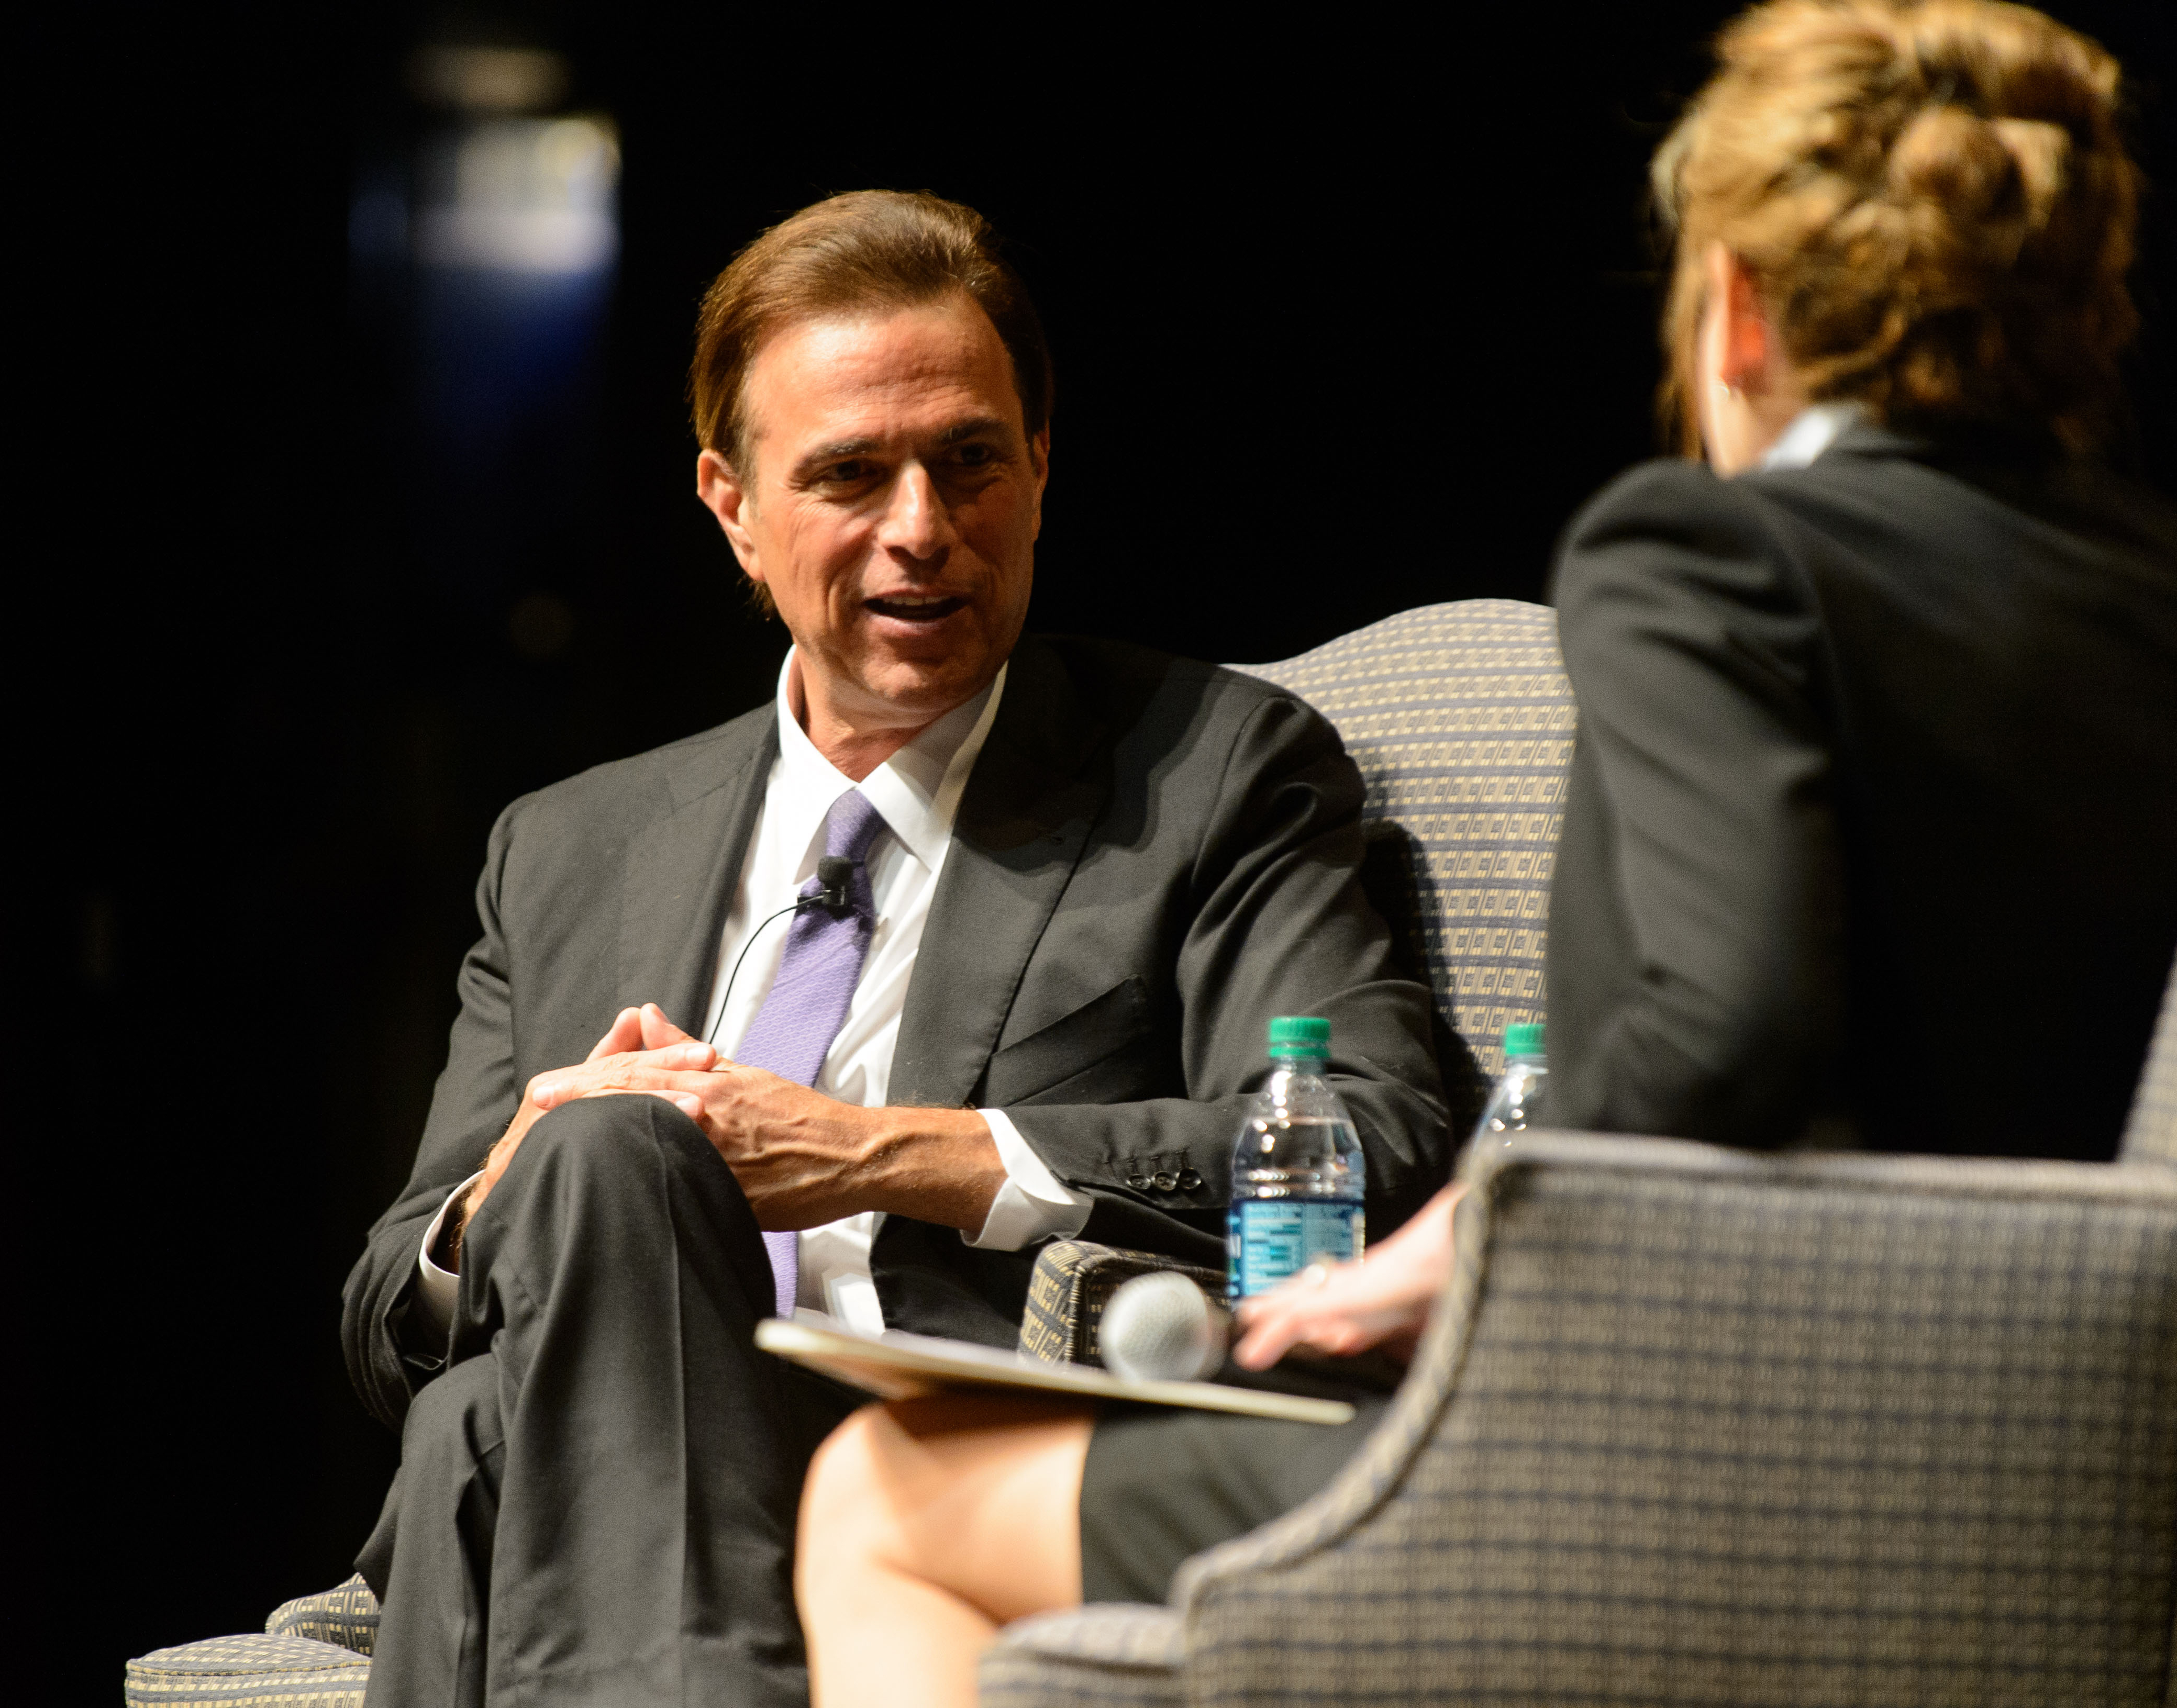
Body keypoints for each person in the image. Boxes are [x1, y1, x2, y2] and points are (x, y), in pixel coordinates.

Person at [794, 5, 2177, 1702]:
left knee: (884, 1492)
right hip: (2070, 1499)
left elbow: (1731, 1027)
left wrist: (1446, 1249)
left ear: (1734, 302)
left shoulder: (1712, 557)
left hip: (1676, 1475)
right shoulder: (2147, 599)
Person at [340, 189, 1453, 1707]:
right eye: (853, 474)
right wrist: (500, 1197)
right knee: (597, 1173)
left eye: (971, 462)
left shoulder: (1212, 772)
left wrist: (880, 1155)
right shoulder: (571, 845)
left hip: (936, 1463)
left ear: (1042, 471)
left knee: (487, 1421)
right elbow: (393, 1307)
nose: (921, 528)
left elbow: (1369, 1140)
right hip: (585, 1454)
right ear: (732, 505)